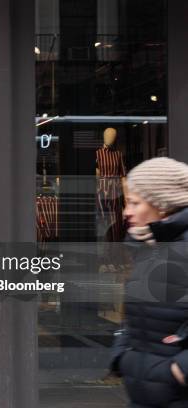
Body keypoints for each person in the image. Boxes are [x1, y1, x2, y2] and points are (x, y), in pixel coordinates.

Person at [110, 157, 188, 407]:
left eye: (134, 203)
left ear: (162, 206)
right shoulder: (149, 249)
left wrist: (179, 370)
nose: (126, 212)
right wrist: (123, 354)